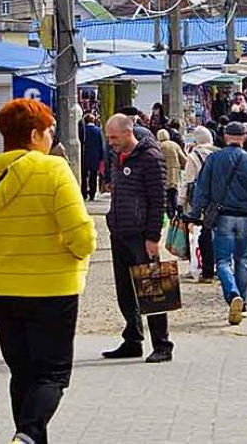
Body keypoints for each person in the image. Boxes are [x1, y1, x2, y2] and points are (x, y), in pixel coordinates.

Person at [0, 99, 96, 444]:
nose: (51, 137)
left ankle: (29, 437)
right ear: (35, 135)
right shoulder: (54, 170)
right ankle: (28, 434)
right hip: (53, 289)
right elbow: (82, 236)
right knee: (52, 375)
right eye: (48, 131)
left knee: (22, 371)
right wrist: (79, 251)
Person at [188, 122, 247, 325]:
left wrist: (194, 216)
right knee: (243, 259)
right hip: (246, 217)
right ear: (244, 137)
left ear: (226, 137)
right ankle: (243, 303)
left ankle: (232, 294)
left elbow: (202, 189)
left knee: (223, 261)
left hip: (222, 216)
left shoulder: (214, 159)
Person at [103, 114, 174, 363]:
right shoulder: (116, 157)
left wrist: (153, 236)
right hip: (120, 230)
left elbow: (158, 201)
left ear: (127, 132)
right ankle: (132, 338)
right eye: (108, 137)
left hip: (142, 234)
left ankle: (162, 344)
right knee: (125, 291)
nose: (110, 142)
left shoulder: (150, 158)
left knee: (153, 289)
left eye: (114, 137)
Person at [178, 126, 221, 283]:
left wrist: (181, 201)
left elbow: (188, 181)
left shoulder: (193, 155)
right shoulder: (219, 153)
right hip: (218, 198)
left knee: (202, 233)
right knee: (217, 232)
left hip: (200, 199)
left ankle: (205, 269)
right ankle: (220, 266)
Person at [157, 129, 187, 220]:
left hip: (162, 175)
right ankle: (173, 216)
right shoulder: (175, 145)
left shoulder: (158, 146)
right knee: (173, 195)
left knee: (164, 197)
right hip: (174, 175)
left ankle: (167, 215)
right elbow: (184, 160)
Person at [81, 114, 105, 201]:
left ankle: (84, 193)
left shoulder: (83, 130)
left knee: (84, 175)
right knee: (93, 176)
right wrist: (102, 157)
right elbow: (101, 144)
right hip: (95, 156)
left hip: (84, 156)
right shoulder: (98, 131)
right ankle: (92, 193)